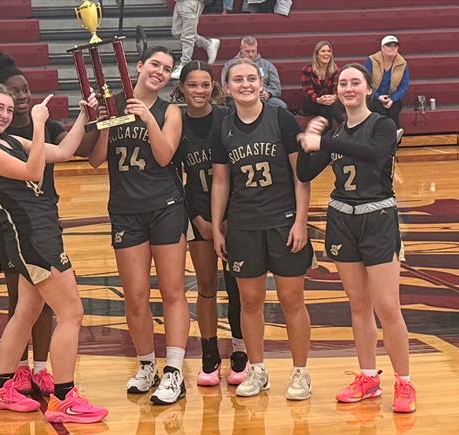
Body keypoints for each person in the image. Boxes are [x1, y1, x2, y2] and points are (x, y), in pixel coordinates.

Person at [0, 84, 108, 423]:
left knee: (26, 312)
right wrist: (40, 123)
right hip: (33, 239)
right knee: (72, 313)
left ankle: (0, 387)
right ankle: (64, 398)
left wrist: (83, 116)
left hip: (40, 234)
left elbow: (63, 152)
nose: (4, 114)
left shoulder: (13, 142)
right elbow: (33, 171)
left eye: (8, 109)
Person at [297, 63, 416, 413]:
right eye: (343, 83)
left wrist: (326, 140)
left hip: (377, 217)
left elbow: (375, 155)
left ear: (367, 89)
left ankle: (405, 382)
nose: (349, 88)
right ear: (337, 91)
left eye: (355, 82)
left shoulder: (382, 124)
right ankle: (368, 377)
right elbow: (305, 172)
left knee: (387, 306)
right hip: (341, 220)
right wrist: (310, 139)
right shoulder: (335, 133)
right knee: (359, 305)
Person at [87, 46, 189, 405]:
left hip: (165, 207)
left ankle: (174, 371)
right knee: (135, 295)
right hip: (125, 211)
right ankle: (147, 365)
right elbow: (95, 161)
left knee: (172, 291)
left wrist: (146, 118)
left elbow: (164, 155)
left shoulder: (169, 110)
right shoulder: (112, 103)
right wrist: (104, 126)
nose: (160, 72)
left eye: (167, 68)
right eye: (155, 64)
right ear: (139, 65)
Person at [211, 58, 313, 400]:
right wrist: (217, 227)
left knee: (291, 300)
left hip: (283, 222)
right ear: (227, 88)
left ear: (261, 83)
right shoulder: (223, 127)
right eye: (238, 79)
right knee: (250, 302)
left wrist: (301, 221)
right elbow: (221, 181)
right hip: (244, 225)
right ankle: (257, 370)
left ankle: (300, 373)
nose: (245, 84)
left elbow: (301, 175)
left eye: (251, 78)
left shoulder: (281, 118)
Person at [0, 52, 65, 396]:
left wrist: (94, 117)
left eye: (25, 89)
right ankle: (17, 369)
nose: (21, 96)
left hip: (45, 223)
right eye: (13, 91)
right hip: (14, 228)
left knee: (43, 300)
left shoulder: (45, 127)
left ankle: (42, 368)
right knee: (20, 299)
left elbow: (79, 150)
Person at [170, 60, 248, 387]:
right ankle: (210, 353)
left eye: (205, 85)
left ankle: (241, 350)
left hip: (232, 216)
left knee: (237, 287)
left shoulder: (226, 119)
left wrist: (228, 218)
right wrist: (197, 218)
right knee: (205, 287)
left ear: (213, 88)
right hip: (198, 215)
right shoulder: (176, 122)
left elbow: (238, 172)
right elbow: (174, 178)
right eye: (193, 85)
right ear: (182, 88)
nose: (199, 91)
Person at [220, 36, 287, 109]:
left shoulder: (267, 65)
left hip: (263, 98)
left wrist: (268, 93)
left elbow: (276, 86)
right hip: (238, 97)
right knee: (230, 105)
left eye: (253, 51)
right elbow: (225, 86)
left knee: (281, 106)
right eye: (247, 51)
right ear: (241, 49)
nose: (251, 54)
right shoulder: (229, 65)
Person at [364, 35, 409, 137]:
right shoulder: (371, 60)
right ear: (382, 48)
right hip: (373, 96)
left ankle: (392, 137)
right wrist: (377, 96)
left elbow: (404, 87)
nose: (392, 48)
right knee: (380, 111)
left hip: (392, 97)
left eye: (395, 46)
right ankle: (394, 134)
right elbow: (365, 82)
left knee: (394, 110)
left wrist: (392, 99)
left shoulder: (403, 63)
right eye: (389, 45)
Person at [170, 0, 221, 79]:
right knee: (177, 32)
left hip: (191, 2)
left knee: (188, 36)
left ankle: (185, 64)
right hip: (180, 2)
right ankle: (208, 44)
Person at [300, 40, 344, 126]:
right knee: (327, 107)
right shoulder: (307, 69)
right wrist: (318, 99)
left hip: (329, 102)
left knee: (327, 108)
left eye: (328, 51)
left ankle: (328, 131)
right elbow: (307, 90)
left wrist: (334, 97)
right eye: (323, 51)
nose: (326, 54)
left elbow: (337, 89)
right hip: (312, 102)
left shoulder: (335, 70)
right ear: (317, 54)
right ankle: (344, 126)